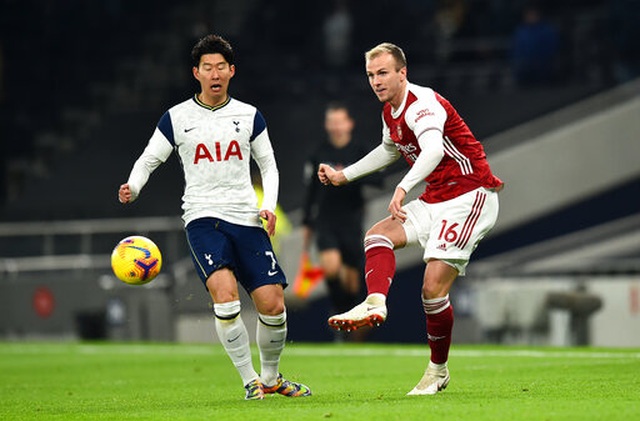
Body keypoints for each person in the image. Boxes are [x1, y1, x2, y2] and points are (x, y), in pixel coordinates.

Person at [117, 34, 311, 401]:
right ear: (197, 73)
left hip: (247, 217)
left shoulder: (249, 115)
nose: (215, 72)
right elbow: (149, 158)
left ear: (232, 71)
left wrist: (268, 204)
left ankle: (271, 378)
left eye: (221, 66)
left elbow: (268, 165)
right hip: (202, 217)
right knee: (225, 297)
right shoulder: (176, 117)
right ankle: (249, 380)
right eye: (207, 67)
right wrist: (134, 185)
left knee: (273, 303)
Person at [318, 42, 503, 395]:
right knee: (377, 235)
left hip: (470, 194)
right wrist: (345, 176)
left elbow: (433, 149)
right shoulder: (390, 112)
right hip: (438, 196)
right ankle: (375, 301)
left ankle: (437, 371)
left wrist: (402, 188)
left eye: (383, 72)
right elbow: (389, 149)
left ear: (403, 72)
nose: (376, 81)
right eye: (371, 75)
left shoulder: (423, 106)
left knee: (432, 289)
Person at [301, 103, 379, 339]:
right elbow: (310, 193)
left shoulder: (360, 150)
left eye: (339, 121)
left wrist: (349, 175)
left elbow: (379, 178)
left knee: (353, 283)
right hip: (326, 220)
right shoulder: (318, 154)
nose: (335, 126)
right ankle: (339, 314)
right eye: (331, 122)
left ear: (349, 124)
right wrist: (307, 223)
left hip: (352, 221)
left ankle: (352, 322)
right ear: (327, 125)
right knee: (331, 267)